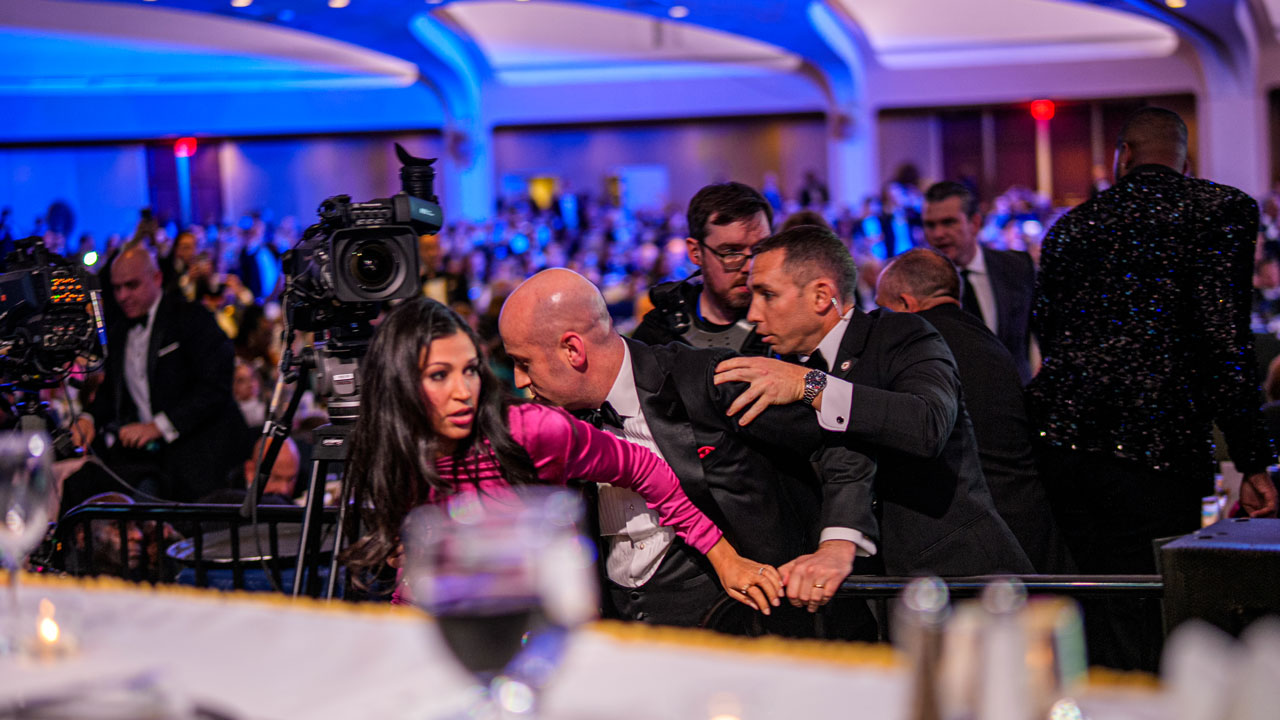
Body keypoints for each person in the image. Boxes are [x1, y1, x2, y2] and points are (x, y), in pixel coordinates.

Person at [341, 297, 783, 618]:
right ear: (399, 383)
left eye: (470, 370)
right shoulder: (391, 449)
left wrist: (722, 556)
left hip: (536, 633)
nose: (463, 391)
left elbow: (644, 466)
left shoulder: (531, 429)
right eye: (440, 375)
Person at [1028, 106, 1278, 670]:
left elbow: (1048, 329)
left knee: (1092, 609)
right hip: (1159, 448)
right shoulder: (1221, 210)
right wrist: (1253, 460)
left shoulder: (1072, 225)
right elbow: (1225, 339)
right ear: (1186, 159)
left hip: (1064, 447)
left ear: (1123, 155)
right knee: (1158, 609)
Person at [500, 269, 878, 629]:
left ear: (572, 349)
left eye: (523, 362)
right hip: (621, 637)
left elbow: (841, 440)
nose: (519, 380)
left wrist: (837, 542)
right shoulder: (551, 424)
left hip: (744, 630)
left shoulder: (708, 380)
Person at [714, 226, 1032, 579]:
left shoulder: (903, 334)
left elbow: (927, 425)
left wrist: (810, 386)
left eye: (768, 295)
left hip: (964, 580)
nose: (753, 313)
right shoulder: (779, 369)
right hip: (862, 591)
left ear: (821, 296)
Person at [874, 248, 1072, 573]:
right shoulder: (988, 341)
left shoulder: (918, 345)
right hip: (1033, 525)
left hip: (981, 544)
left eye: (882, 309)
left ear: (906, 304)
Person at [73, 243, 246, 502]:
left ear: (156, 278)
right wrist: (88, 417)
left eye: (131, 285)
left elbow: (214, 386)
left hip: (205, 455)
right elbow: (112, 392)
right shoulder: (118, 331)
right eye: (117, 288)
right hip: (153, 463)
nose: (122, 296)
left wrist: (158, 426)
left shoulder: (192, 317)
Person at [632, 182, 772, 355]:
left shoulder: (788, 322)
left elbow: (811, 373)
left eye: (760, 249)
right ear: (695, 252)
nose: (749, 267)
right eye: (731, 252)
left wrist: (793, 373)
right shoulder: (659, 334)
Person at [922, 181, 1036, 383]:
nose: (938, 234)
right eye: (930, 225)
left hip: (1017, 394)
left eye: (948, 222)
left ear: (974, 223)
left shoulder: (1017, 267)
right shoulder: (917, 283)